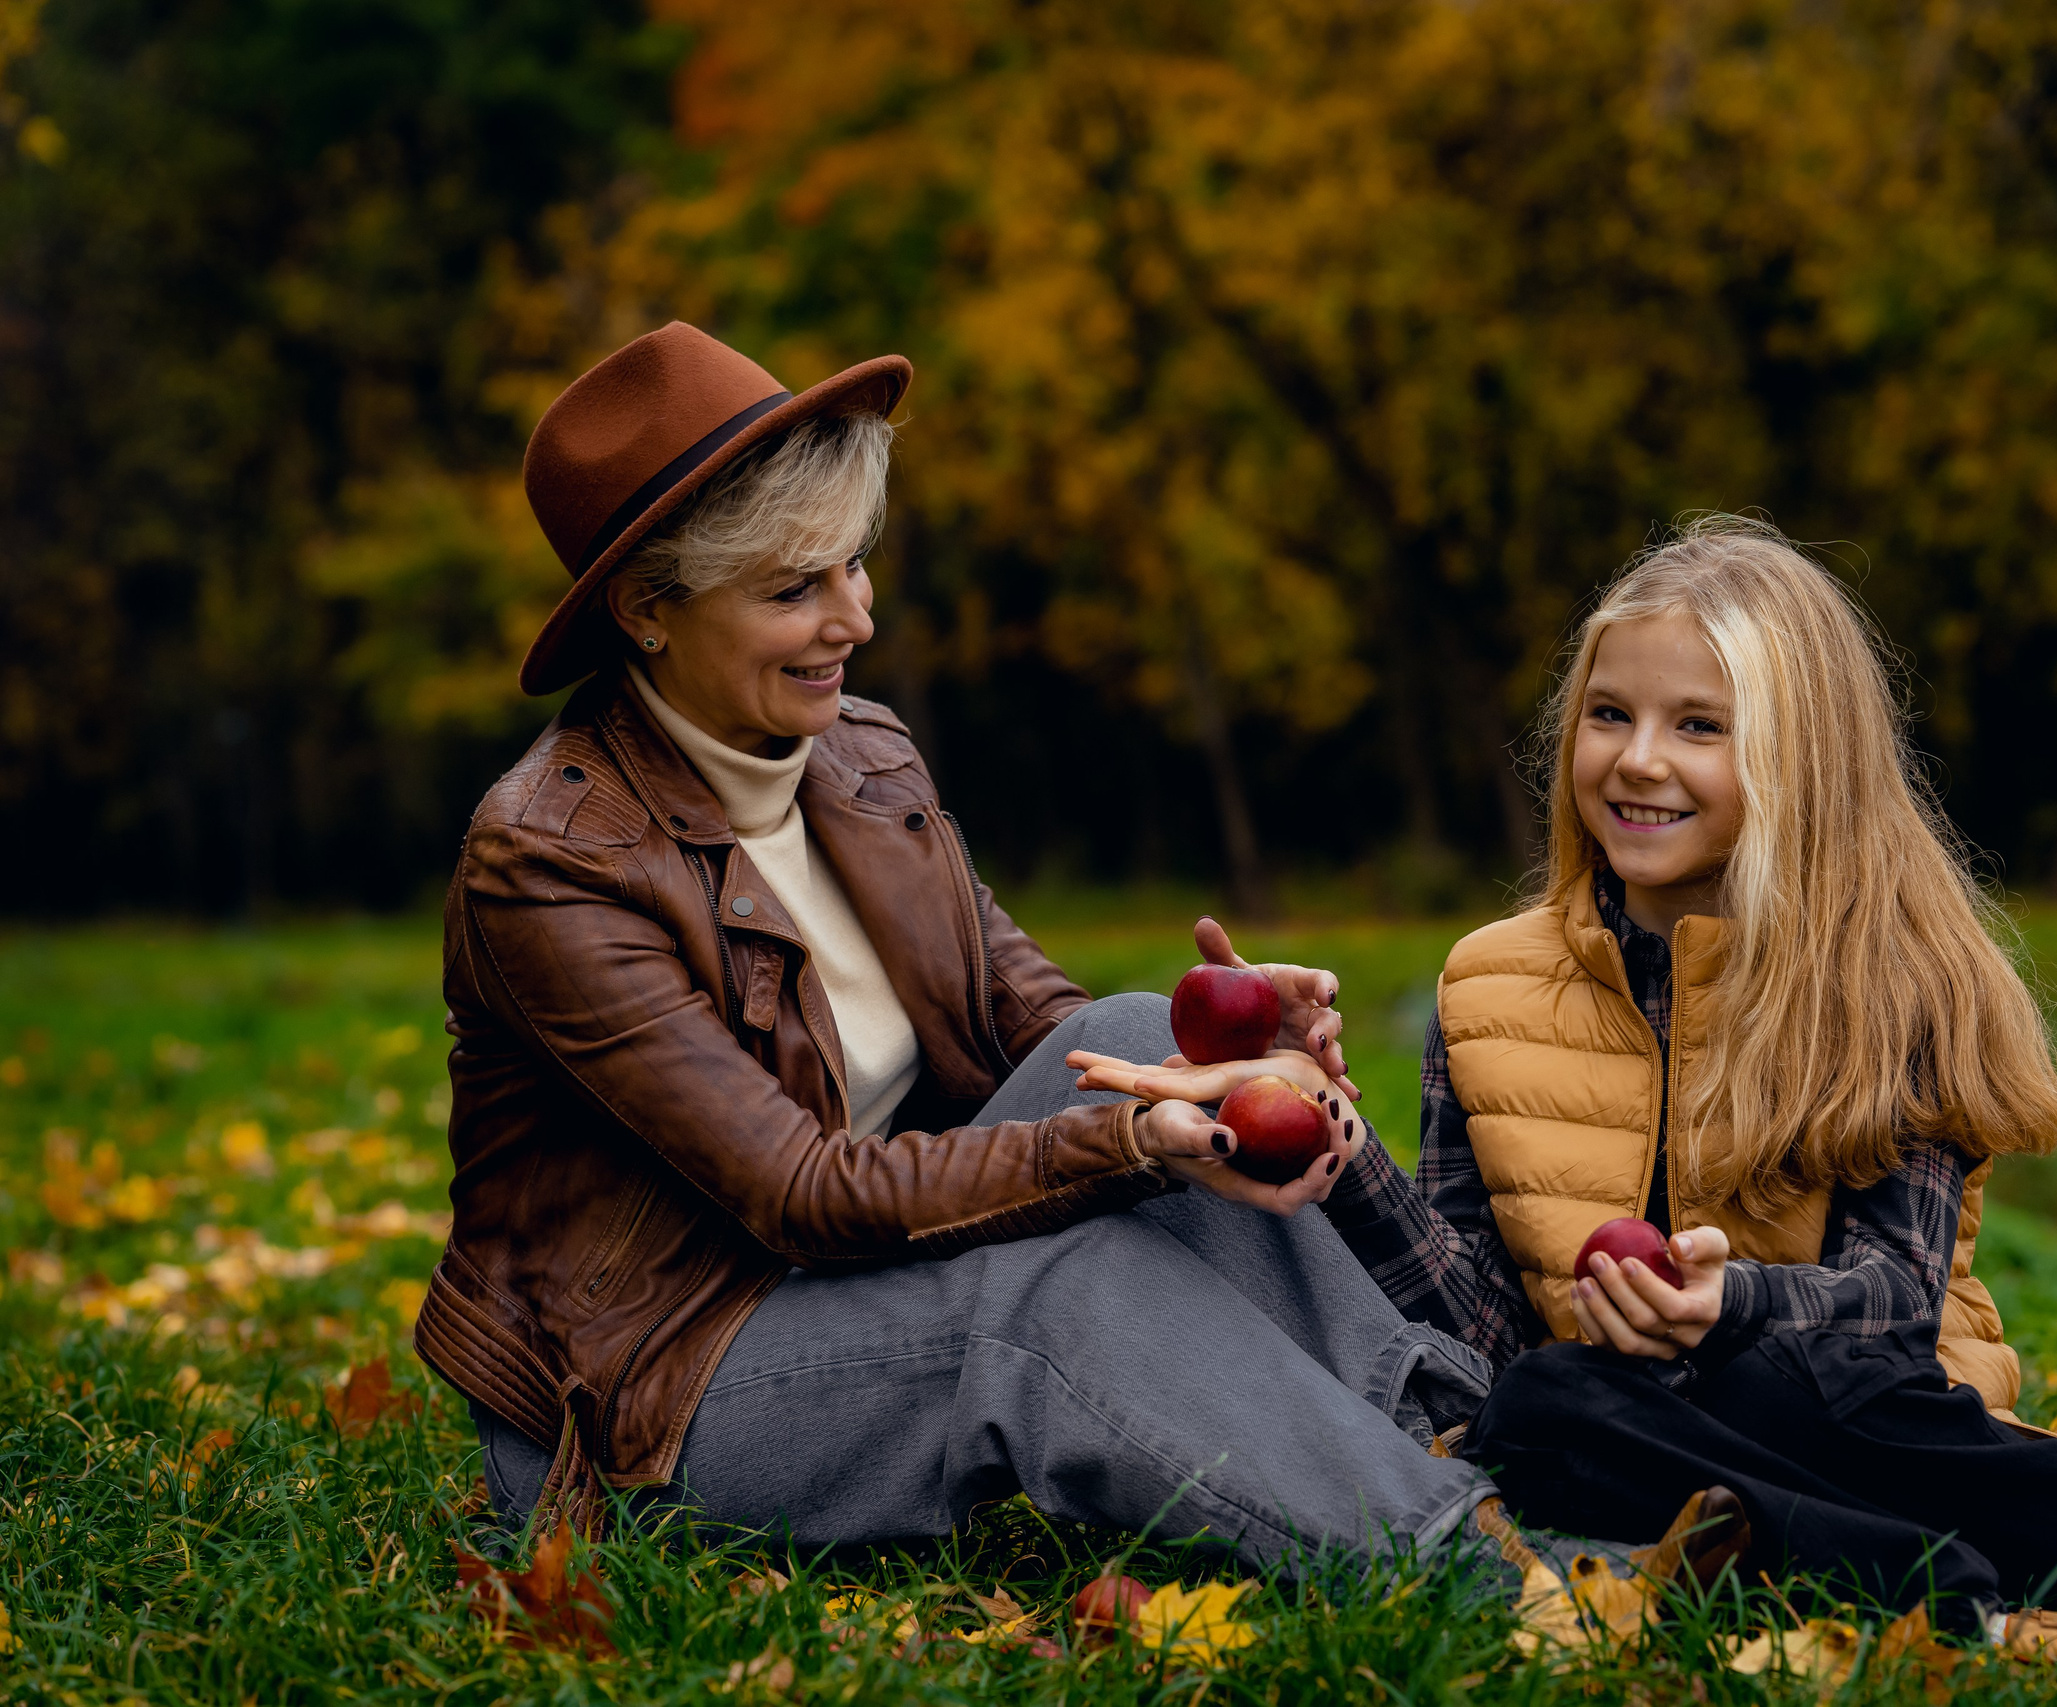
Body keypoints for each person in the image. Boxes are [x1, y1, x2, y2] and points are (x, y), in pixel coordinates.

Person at [1073, 516, 2057, 1639]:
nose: (1637, 760)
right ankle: (1980, 1615)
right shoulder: (1485, 984)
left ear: (1801, 760)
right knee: (1537, 1407)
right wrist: (1337, 1141)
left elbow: (1891, 1308)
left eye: (1699, 726)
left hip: (1865, 1413)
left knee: (1803, 1387)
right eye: (1608, 713)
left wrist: (1724, 1303)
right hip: (1634, 1430)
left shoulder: (1893, 978)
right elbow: (1483, 1326)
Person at [416, 322, 1496, 1565]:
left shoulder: (861, 756)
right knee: (1053, 1293)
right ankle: (1478, 1566)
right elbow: (798, 1195)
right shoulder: (551, 862)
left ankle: (1456, 1436)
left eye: (853, 565)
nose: (854, 620)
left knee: (1135, 1033)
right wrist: (1127, 1146)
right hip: (658, 1392)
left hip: (871, 1273)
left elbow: (1050, 1035)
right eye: (792, 590)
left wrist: (1223, 1056)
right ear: (646, 611)